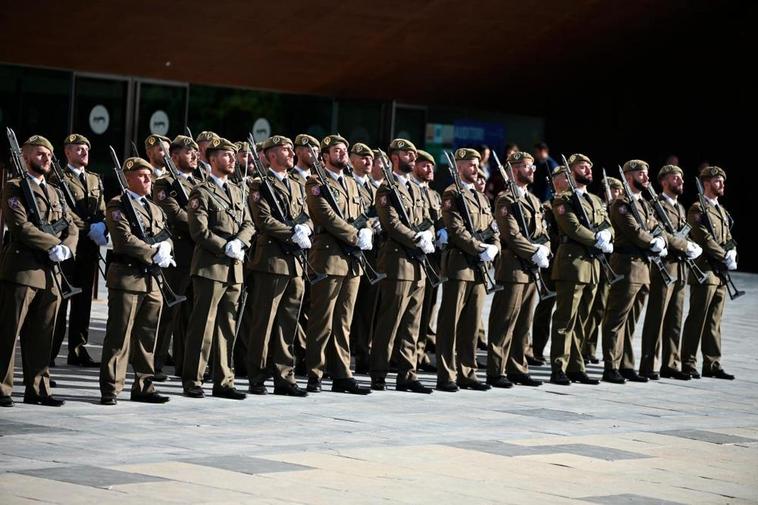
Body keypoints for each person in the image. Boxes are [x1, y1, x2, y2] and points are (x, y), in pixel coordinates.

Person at [0, 135, 78, 407]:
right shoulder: (14, 187)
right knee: (9, 333)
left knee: (43, 334)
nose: (45, 158)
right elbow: (20, 227)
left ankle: (39, 388)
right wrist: (53, 244)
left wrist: (66, 248)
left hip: (51, 274)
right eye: (39, 154)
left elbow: (71, 225)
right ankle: (2, 388)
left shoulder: (55, 191)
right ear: (25, 156)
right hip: (22, 270)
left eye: (48, 154)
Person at [182, 137, 254, 400]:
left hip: (235, 267)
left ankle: (224, 380)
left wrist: (240, 242)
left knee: (227, 326)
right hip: (211, 266)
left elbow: (249, 223)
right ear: (212, 159)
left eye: (234, 155)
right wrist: (225, 246)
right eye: (226, 155)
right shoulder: (201, 192)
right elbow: (199, 231)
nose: (233, 159)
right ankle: (194, 378)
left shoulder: (237, 191)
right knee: (203, 325)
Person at [99, 156, 173, 405]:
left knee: (147, 336)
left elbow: (166, 234)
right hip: (128, 278)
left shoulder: (155, 208)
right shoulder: (117, 205)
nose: (148, 180)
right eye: (142, 176)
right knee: (119, 335)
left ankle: (144, 384)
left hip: (152, 280)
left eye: (149, 176)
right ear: (128, 178)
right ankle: (111, 387)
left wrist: (166, 248)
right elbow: (123, 239)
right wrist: (154, 252)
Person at [304, 134, 372, 394]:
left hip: (352, 262)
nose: (342, 153)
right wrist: (356, 236)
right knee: (322, 319)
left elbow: (363, 215)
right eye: (336, 150)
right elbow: (326, 216)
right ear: (324, 157)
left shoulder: (353, 185)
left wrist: (366, 230)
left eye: (344, 150)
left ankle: (342, 372)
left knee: (344, 320)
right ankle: (315, 372)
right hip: (329, 258)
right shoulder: (315, 183)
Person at [246, 135, 310, 397]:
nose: (291, 153)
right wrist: (290, 232)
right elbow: (262, 219)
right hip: (271, 261)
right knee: (264, 322)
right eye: (285, 150)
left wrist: (305, 228)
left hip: (295, 263)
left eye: (290, 149)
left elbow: (307, 214)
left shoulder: (296, 183)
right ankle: (257, 376)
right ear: (271, 156)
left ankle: (284, 376)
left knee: (288, 323)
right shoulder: (260, 184)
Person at [370, 139, 433, 394]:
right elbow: (391, 223)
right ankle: (379, 372)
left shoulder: (417, 190)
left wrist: (428, 233)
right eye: (408, 154)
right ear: (395, 157)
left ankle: (407, 373)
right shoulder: (386, 188)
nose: (413, 157)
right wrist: (416, 237)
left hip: (418, 264)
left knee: (412, 323)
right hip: (397, 262)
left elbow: (427, 218)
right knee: (391, 320)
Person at [601, 159, 672, 384]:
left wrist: (659, 238)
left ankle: (626, 364)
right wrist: (653, 241)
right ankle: (611, 366)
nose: (646, 178)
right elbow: (633, 231)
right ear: (629, 176)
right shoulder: (621, 203)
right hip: (627, 264)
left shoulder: (644, 203)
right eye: (642, 174)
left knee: (631, 320)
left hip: (643, 267)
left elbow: (654, 226)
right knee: (616, 318)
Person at [436, 148, 500, 392]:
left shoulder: (482, 197)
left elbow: (493, 227)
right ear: (459, 167)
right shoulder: (452, 193)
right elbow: (455, 228)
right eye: (471, 165)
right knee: (450, 321)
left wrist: (493, 247)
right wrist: (478, 248)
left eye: (477, 165)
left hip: (480, 267)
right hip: (460, 264)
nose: (476, 169)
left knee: (472, 323)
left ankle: (467, 371)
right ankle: (446, 374)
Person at [487, 151, 548, 388]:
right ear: (513, 170)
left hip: (532, 269)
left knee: (524, 322)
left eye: (532, 166)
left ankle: (517, 366)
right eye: (526, 166)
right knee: (505, 320)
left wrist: (545, 248)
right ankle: (495, 369)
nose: (532, 170)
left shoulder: (533, 201)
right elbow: (511, 235)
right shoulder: (505, 200)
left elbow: (542, 232)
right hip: (513, 268)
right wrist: (534, 251)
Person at [549, 153, 611, 386]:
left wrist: (607, 234)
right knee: (566, 319)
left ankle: (576, 365)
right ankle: (558, 366)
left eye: (589, 167)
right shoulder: (562, 199)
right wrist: (596, 239)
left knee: (583, 320)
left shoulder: (595, 200)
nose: (588, 171)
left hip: (593, 266)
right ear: (571, 171)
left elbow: (607, 224)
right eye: (583, 167)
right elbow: (572, 227)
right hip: (572, 265)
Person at [639, 165, 702, 380]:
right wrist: (684, 246)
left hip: (681, 268)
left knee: (675, 319)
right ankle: (649, 364)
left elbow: (684, 233)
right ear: (664, 182)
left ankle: (671, 363)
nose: (680, 182)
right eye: (675, 179)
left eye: (681, 179)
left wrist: (690, 245)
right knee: (657, 316)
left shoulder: (680, 208)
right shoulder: (654, 204)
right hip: (664, 266)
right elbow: (661, 232)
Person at [50, 133, 107, 368]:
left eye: (85, 148)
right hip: (69, 245)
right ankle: (50, 351)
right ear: (67, 152)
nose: (83, 152)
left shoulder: (95, 179)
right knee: (61, 300)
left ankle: (77, 349)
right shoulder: (56, 178)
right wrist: (88, 227)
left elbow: (101, 206)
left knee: (83, 302)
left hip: (89, 247)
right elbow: (64, 210)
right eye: (78, 148)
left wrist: (101, 224)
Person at [681, 166, 737, 380]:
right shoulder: (697, 208)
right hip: (705, 270)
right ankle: (688, 362)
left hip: (720, 273)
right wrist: (724, 255)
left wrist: (732, 250)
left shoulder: (721, 210)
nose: (721, 184)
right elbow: (703, 238)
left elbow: (728, 235)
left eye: (722, 181)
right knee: (697, 318)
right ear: (706, 183)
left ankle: (712, 363)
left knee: (714, 319)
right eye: (717, 181)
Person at [152, 135, 201, 379]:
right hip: (178, 252)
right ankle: (155, 362)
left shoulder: (199, 183)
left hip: (198, 253)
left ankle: (185, 364)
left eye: (195, 151)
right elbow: (172, 213)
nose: (194, 155)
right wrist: (202, 225)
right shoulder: (164, 184)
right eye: (188, 152)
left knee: (191, 313)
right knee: (169, 310)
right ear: (174, 156)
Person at [582, 176, 623, 363]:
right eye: (614, 190)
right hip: (594, 260)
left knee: (600, 308)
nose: (617, 194)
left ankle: (589, 348)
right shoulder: (599, 208)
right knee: (589, 307)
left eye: (618, 190)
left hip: (609, 262)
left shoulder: (620, 209)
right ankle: (583, 347)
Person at [530, 165, 569, 363]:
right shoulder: (547, 206)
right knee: (546, 306)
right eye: (564, 177)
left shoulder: (573, 203)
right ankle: (536, 349)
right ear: (555, 182)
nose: (569, 180)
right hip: (553, 261)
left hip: (570, 263)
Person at [290, 133, 321, 374]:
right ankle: (297, 352)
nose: (315, 153)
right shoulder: (290, 178)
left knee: (309, 306)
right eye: (309, 149)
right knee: (295, 308)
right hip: (293, 247)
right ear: (298, 151)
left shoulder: (319, 180)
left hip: (314, 249)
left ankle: (304, 354)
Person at [348, 142, 379, 374]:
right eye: (362, 158)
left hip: (373, 255)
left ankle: (363, 353)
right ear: (352, 160)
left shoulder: (377, 189)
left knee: (367, 310)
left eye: (370, 158)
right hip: (350, 251)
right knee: (347, 309)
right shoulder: (347, 184)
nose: (367, 162)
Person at [412, 149, 443, 372]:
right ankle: (403, 354)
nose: (429, 170)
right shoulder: (409, 189)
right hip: (414, 255)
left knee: (427, 310)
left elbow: (439, 219)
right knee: (411, 311)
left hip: (432, 259)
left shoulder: (434, 195)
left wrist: (441, 232)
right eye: (424, 165)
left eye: (431, 166)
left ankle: (420, 352)